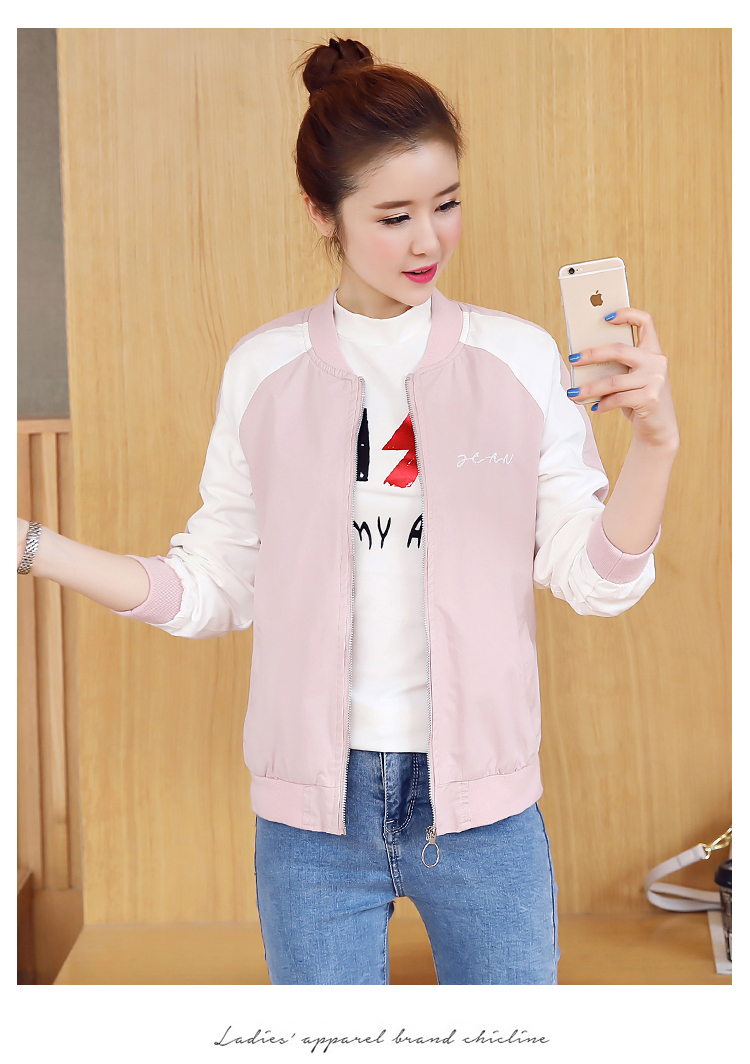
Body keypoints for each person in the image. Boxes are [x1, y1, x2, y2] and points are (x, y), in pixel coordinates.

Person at [17, 37, 680, 985]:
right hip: (312, 821)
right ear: (321, 211)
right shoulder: (264, 371)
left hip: (483, 810)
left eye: (447, 204)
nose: (428, 241)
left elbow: (595, 579)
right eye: (394, 216)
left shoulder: (520, 360)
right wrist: (30, 546)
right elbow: (211, 586)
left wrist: (654, 445)